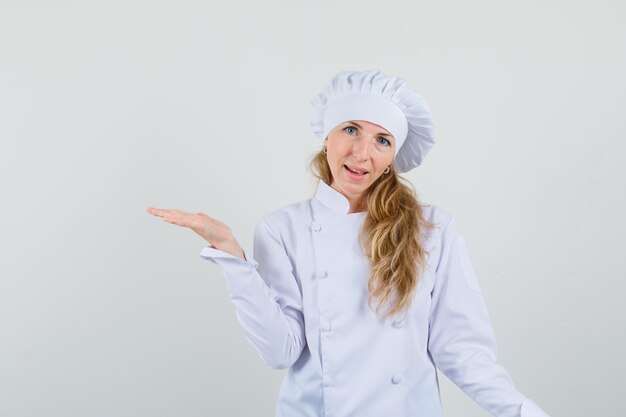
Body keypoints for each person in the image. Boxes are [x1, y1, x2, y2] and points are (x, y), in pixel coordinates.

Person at [146, 69, 550, 417]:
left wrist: (522, 412)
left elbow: (461, 350)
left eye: (382, 140)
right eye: (351, 130)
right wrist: (232, 257)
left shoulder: (431, 229)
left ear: (393, 156)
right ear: (327, 137)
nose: (362, 153)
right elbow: (280, 352)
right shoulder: (282, 228)